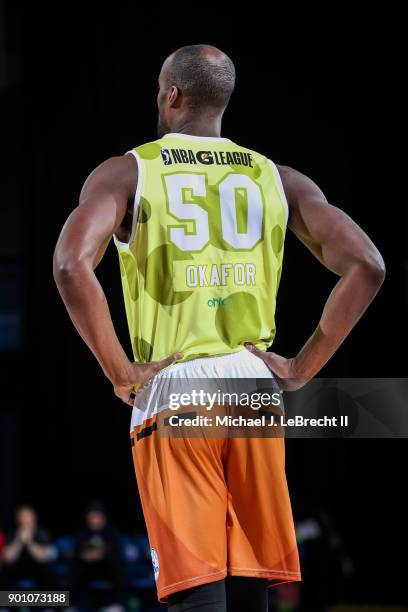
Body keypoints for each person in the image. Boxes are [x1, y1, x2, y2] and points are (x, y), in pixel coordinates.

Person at [53, 44, 385, 611]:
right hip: (253, 390)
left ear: (172, 95)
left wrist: (119, 371)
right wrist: (302, 369)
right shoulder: (275, 178)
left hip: (178, 385)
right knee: (252, 584)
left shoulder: (130, 169)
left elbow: (68, 264)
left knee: (196, 590)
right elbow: (368, 266)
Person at [69, 501, 125, 611]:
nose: (95, 520)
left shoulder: (111, 533)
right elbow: (77, 552)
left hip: (107, 570)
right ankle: (72, 604)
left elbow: (117, 552)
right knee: (74, 567)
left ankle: (117, 604)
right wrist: (87, 555)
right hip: (87, 570)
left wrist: (101, 554)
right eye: (92, 517)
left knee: (118, 567)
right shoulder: (82, 533)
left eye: (98, 517)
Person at [2, 505, 56, 590]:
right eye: (21, 516)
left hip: (41, 583)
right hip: (15, 583)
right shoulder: (11, 535)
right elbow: (7, 558)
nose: (24, 519)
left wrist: (29, 542)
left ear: (34, 518)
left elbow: (44, 557)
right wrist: (18, 541)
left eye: (27, 516)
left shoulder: (43, 534)